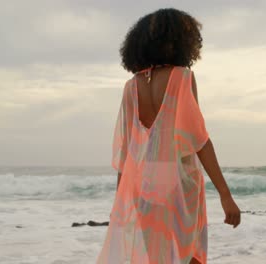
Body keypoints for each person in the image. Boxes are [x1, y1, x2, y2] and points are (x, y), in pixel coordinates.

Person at [96, 8, 241, 264]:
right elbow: (199, 140)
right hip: (179, 181)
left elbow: (126, 152)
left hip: (143, 184)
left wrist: (122, 203)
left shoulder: (131, 87)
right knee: (191, 253)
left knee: (155, 258)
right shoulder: (182, 78)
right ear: (179, 42)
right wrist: (225, 194)